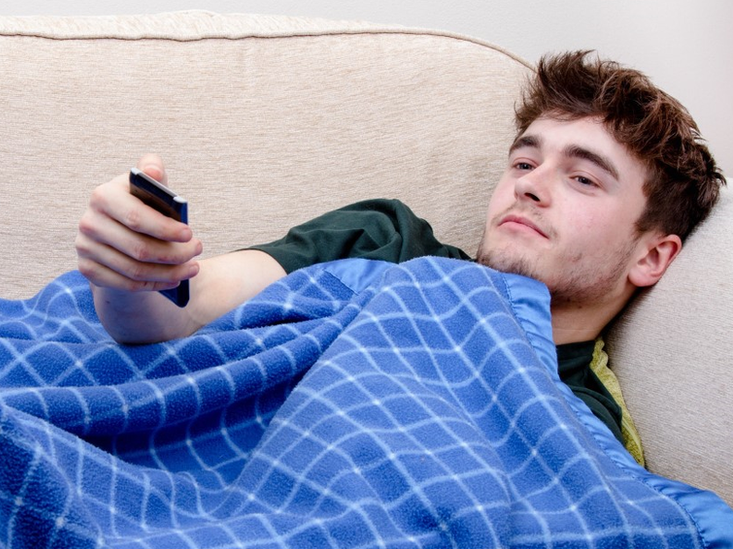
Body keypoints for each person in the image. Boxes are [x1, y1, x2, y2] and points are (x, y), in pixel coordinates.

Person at [75, 50, 725, 454]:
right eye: (525, 159)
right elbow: (184, 311)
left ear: (652, 257)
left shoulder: (584, 424)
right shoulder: (389, 241)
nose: (530, 182)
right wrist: (136, 274)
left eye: (582, 177)